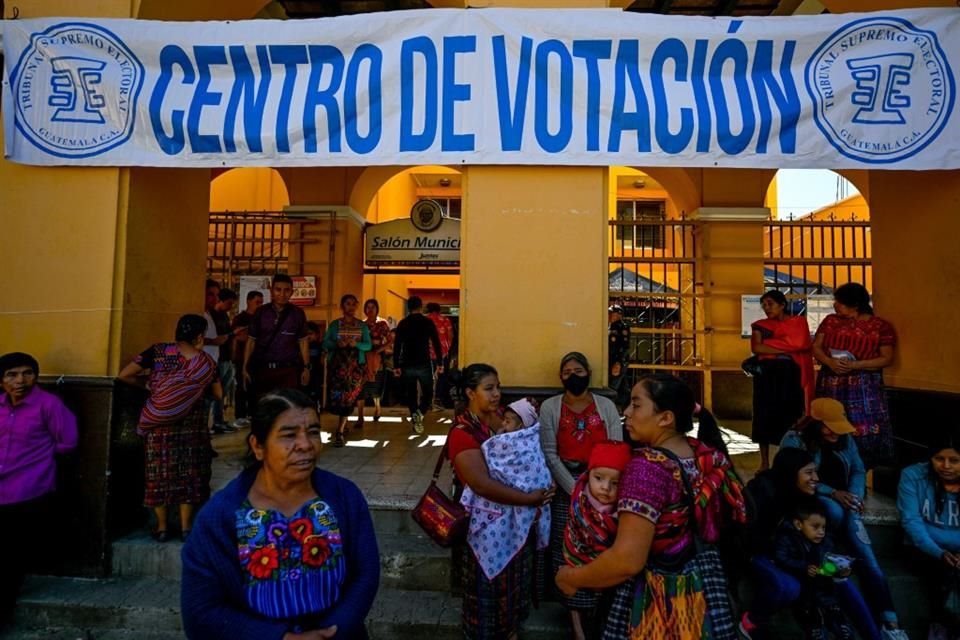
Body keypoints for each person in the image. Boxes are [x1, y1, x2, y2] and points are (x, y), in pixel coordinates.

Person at [555, 373, 747, 640]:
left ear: (665, 418)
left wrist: (572, 578)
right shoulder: (702, 455)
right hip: (702, 588)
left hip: (655, 600)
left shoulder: (648, 469)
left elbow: (627, 560)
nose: (627, 412)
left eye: (636, 404)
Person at [181, 388, 379, 639]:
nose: (305, 445)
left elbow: (366, 574)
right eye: (289, 435)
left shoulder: (345, 498)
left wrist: (333, 632)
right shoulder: (220, 516)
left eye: (313, 432)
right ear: (258, 446)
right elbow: (201, 611)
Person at [446, 364, 555, 640]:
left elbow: (525, 450)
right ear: (470, 393)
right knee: (486, 592)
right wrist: (529, 498)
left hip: (513, 524)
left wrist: (539, 481)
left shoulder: (498, 419)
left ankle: (510, 631)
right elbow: (482, 485)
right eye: (489, 388)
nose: (497, 394)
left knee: (513, 590)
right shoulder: (463, 433)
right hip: (483, 529)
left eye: (498, 387)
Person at [780, 397, 902, 633]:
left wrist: (854, 497)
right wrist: (833, 492)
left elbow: (857, 469)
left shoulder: (846, 440)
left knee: (868, 557)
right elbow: (796, 479)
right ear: (815, 423)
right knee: (835, 511)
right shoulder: (795, 440)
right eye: (829, 426)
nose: (835, 432)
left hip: (846, 504)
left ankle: (891, 622)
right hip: (814, 501)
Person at [739, 448, 880, 640]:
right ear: (791, 472)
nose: (815, 478)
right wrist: (801, 565)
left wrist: (830, 563)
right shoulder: (763, 493)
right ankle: (752, 622)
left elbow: (823, 537)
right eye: (808, 472)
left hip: (800, 558)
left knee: (841, 580)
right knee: (789, 587)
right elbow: (754, 541)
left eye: (815, 471)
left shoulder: (808, 499)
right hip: (764, 556)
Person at [117, 314, 221, 542]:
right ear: (200, 337)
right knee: (189, 475)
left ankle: (162, 528)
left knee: (158, 475)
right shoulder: (205, 363)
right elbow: (217, 394)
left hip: (157, 425)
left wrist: (152, 388)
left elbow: (124, 375)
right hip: (191, 425)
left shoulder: (157, 351)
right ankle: (185, 527)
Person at [538, 351, 622, 633]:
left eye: (578, 370)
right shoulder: (550, 407)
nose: (572, 375)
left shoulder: (606, 405)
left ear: (588, 372)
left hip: (604, 488)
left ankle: (601, 616)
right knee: (568, 551)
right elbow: (550, 454)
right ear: (560, 377)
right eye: (566, 371)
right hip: (567, 486)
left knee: (601, 548)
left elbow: (616, 448)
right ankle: (576, 625)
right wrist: (576, 490)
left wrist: (598, 487)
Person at [0, 352, 78, 627]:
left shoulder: (48, 404)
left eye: (27, 373)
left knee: (9, 557)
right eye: (11, 374)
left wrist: (38, 460)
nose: (20, 380)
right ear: (1, 381)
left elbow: (68, 440)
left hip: (28, 489)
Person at [458, 397, 552, 586]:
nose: (502, 423)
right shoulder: (467, 432)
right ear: (471, 392)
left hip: (514, 508)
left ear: (521, 426)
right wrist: (499, 437)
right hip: (500, 511)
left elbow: (534, 469)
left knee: (512, 576)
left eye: (508, 421)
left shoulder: (527, 443)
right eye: (489, 388)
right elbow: (486, 477)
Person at [812, 282, 896, 470]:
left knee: (862, 428)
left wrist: (856, 365)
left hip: (864, 388)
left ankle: (862, 469)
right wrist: (829, 361)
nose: (835, 305)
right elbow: (816, 347)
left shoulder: (879, 326)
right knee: (829, 424)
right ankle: (828, 466)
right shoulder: (830, 321)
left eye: (840, 302)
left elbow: (886, 358)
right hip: (831, 382)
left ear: (855, 305)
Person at [898, 430, 960, 639]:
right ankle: (940, 630)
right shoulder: (913, 476)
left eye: (954, 460)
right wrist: (938, 552)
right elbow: (911, 520)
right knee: (945, 572)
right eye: (939, 459)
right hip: (923, 547)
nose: (946, 466)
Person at [749, 289, 814, 471]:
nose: (766, 308)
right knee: (763, 416)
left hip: (791, 375)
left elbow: (801, 344)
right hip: (766, 376)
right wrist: (787, 348)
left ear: (782, 304)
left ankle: (787, 457)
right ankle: (764, 462)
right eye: (764, 305)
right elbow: (757, 348)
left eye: (770, 304)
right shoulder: (760, 325)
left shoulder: (799, 322)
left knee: (790, 414)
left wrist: (771, 345)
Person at [772, 499, 854, 640]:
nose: (821, 532)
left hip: (825, 588)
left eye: (823, 527)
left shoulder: (825, 541)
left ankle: (839, 625)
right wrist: (803, 567)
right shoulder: (788, 538)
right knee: (810, 612)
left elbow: (831, 560)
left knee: (833, 607)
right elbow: (781, 558)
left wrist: (840, 570)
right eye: (815, 527)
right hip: (804, 589)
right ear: (798, 524)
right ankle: (814, 629)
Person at [562, 440, 632, 568]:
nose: (605, 487)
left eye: (615, 483)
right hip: (576, 569)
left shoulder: (628, 511)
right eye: (598, 478)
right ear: (588, 475)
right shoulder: (579, 503)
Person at [243, 274, 311, 405]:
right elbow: (251, 341)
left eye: (287, 290)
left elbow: (303, 342)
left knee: (288, 408)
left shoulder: (297, 313)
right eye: (278, 289)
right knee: (263, 407)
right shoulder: (261, 313)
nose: (282, 294)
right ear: (271, 290)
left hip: (289, 370)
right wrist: (244, 367)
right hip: (263, 369)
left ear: (292, 292)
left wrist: (306, 368)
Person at [322, 294, 372, 447]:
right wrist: (338, 343)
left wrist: (355, 344)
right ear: (342, 306)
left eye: (353, 304)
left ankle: (340, 431)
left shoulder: (362, 326)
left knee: (349, 397)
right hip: (338, 368)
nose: (350, 307)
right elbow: (325, 342)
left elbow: (368, 345)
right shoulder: (335, 325)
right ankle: (342, 425)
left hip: (355, 368)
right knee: (339, 397)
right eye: (347, 304)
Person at [393, 296, 442, 435]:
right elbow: (436, 342)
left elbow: (397, 345)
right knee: (428, 393)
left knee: (411, 394)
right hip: (424, 363)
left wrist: (396, 365)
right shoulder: (428, 322)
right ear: (420, 307)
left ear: (408, 308)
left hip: (407, 363)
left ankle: (415, 414)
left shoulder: (403, 323)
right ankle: (419, 413)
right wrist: (440, 363)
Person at [357, 299, 392, 426]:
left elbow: (390, 339)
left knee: (376, 384)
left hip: (377, 357)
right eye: (368, 307)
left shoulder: (382, 324)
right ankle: (360, 416)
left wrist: (380, 349)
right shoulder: (361, 324)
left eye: (373, 307)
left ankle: (377, 407)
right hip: (363, 357)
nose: (370, 310)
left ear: (377, 309)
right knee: (361, 385)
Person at [231, 290, 263, 428]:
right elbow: (238, 337)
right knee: (242, 386)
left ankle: (253, 412)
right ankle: (240, 415)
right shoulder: (240, 318)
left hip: (257, 357)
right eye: (257, 302)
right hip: (242, 357)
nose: (260, 305)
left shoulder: (261, 318)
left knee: (255, 386)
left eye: (261, 302)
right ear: (249, 301)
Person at [426, 302, 454, 408]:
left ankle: (428, 399)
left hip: (427, 353)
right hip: (442, 354)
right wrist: (447, 348)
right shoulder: (445, 320)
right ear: (439, 310)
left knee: (428, 376)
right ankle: (438, 399)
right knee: (441, 377)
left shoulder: (425, 320)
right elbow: (450, 335)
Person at [607, 305, 631, 409]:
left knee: (613, 387)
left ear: (618, 315)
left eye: (611, 313)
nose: (609, 315)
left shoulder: (621, 327)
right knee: (623, 388)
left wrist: (618, 362)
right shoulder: (611, 326)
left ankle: (612, 408)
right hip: (613, 360)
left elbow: (624, 346)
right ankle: (625, 407)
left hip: (617, 361)